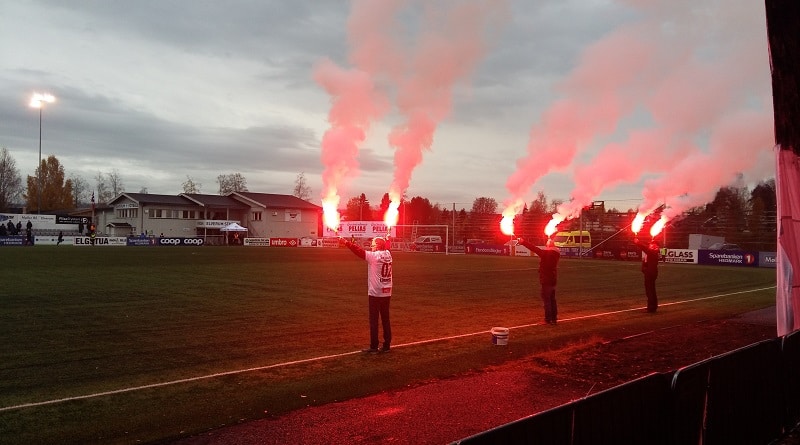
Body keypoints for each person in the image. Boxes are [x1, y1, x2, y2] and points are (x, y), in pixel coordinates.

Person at [342, 236, 393, 353]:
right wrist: (388, 240)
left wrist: (346, 242)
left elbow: (358, 251)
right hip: (387, 291)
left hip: (375, 292)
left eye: (374, 244)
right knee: (386, 318)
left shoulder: (373, 257)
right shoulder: (388, 254)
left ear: (378, 246)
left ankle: (374, 346)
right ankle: (387, 345)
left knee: (374, 320)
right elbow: (388, 247)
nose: (372, 246)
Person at [518, 237, 561, 324]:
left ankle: (548, 320)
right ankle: (554, 319)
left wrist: (523, 242)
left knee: (547, 300)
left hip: (546, 279)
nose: (546, 243)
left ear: (549, 245)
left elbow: (534, 248)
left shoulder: (546, 254)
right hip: (553, 279)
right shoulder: (556, 253)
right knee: (552, 300)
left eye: (548, 242)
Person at [634, 238, 661, 313]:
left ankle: (651, 308)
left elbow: (645, 248)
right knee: (651, 290)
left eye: (651, 244)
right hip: (651, 272)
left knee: (649, 290)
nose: (650, 244)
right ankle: (653, 306)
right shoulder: (654, 251)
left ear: (655, 245)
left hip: (650, 273)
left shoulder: (653, 251)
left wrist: (638, 242)